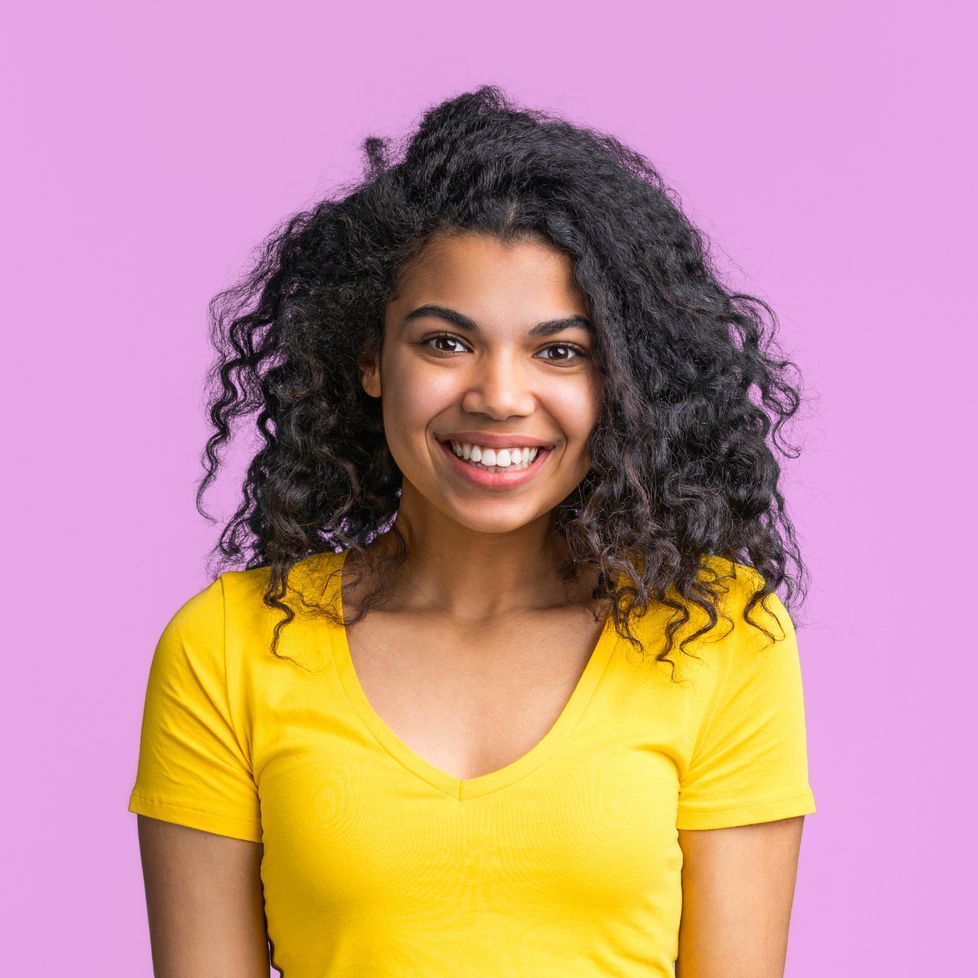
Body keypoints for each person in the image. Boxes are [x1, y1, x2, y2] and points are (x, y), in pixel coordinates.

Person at [128, 85, 816, 978]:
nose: (498, 396)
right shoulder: (227, 648)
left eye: (560, 352)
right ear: (372, 359)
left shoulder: (720, 635)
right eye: (445, 343)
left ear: (623, 384)